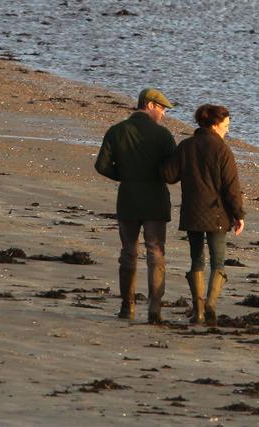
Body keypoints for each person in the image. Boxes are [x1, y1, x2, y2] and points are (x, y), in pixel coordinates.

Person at [94, 88, 176, 324]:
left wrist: (124, 175)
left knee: (129, 253)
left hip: (128, 199)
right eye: (161, 109)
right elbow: (171, 174)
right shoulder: (163, 136)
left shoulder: (116, 131)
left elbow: (101, 166)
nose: (163, 114)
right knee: (156, 253)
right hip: (155, 201)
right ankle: (155, 309)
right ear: (150, 105)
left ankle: (127, 306)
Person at [162, 104, 245, 326]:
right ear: (215, 124)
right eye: (226, 126)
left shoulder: (186, 146)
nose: (227, 130)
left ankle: (198, 310)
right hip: (218, 214)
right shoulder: (222, 150)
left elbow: (169, 176)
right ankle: (210, 304)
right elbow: (231, 187)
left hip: (192, 213)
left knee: (196, 259)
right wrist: (239, 214)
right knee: (218, 262)